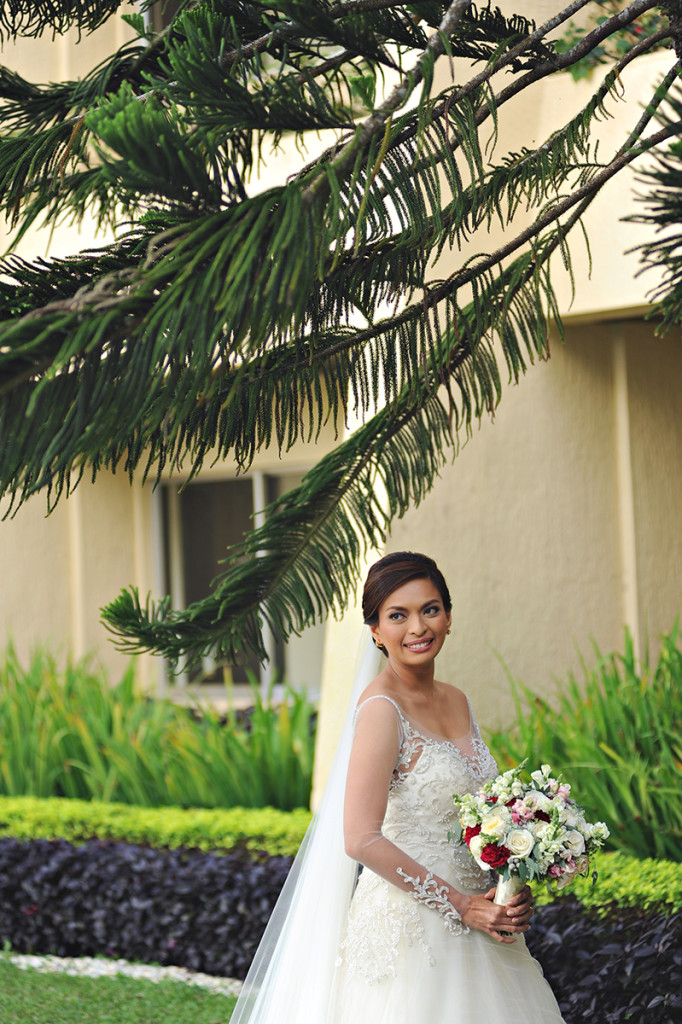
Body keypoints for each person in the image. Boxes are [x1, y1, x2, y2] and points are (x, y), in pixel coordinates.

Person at [230, 552, 565, 1023]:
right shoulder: (381, 710)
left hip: (483, 920)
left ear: (448, 617)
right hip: (410, 930)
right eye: (397, 615)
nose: (418, 627)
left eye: (430, 609)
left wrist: (510, 875)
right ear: (374, 631)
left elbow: (474, 818)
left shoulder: (457, 700)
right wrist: (461, 905)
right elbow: (360, 839)